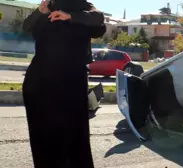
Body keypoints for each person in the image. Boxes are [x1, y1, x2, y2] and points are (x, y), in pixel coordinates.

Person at [22, 0, 106, 167]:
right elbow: (25, 27)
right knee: (42, 142)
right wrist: (40, 11)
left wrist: (71, 16)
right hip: (39, 84)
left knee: (74, 142)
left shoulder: (85, 11)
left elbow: (98, 19)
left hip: (70, 84)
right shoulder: (47, 9)